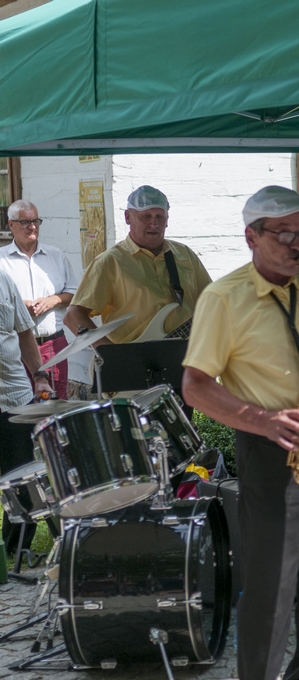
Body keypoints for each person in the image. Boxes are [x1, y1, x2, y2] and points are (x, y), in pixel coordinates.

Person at [181, 185, 299, 680]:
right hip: (270, 446)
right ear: (251, 236)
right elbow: (195, 386)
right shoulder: (224, 297)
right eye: (285, 234)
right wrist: (263, 420)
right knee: (271, 584)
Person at [65, 185, 212, 347]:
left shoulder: (185, 254)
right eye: (146, 216)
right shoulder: (109, 262)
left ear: (167, 219)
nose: (154, 223)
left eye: (160, 217)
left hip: (188, 355)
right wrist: (109, 352)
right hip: (136, 360)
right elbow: (73, 316)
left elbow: (212, 301)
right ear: (128, 217)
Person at [0, 200, 80, 399]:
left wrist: (53, 300)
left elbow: (74, 294)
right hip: (14, 349)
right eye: (25, 222)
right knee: (20, 406)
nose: (33, 227)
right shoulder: (2, 260)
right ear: (11, 224)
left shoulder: (56, 255)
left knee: (56, 405)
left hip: (53, 345)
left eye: (36, 221)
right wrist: (19, 307)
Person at [0, 268, 54, 556]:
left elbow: (24, 332)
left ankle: (15, 550)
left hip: (14, 394)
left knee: (21, 478)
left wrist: (40, 375)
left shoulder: (4, 280)